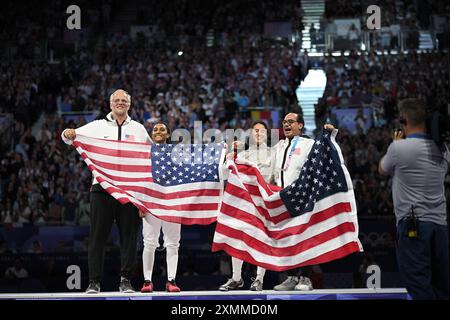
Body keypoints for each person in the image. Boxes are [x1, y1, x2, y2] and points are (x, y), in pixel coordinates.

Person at [61, 89, 151, 293]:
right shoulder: (97, 126)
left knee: (129, 238)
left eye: (123, 101)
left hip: (130, 192)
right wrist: (67, 133)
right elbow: (69, 137)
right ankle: (94, 282)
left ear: (129, 104)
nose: (120, 103)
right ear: (110, 104)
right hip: (101, 189)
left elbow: (150, 160)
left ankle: (126, 281)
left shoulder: (139, 129)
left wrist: (145, 199)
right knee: (97, 237)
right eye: (116, 100)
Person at [378, 98, 450, 300]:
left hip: (414, 226)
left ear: (404, 120)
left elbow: (382, 169)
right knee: (441, 286)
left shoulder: (399, 148)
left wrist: (395, 143)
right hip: (440, 226)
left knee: (418, 284)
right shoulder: (443, 149)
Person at [271, 113, 335, 291]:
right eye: (284, 122)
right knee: (285, 240)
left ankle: (306, 278)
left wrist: (330, 135)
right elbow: (269, 171)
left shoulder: (309, 144)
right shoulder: (277, 147)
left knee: (305, 239)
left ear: (300, 125)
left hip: (303, 198)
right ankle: (291, 277)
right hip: (282, 199)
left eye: (290, 122)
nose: (286, 125)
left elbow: (324, 158)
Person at [219, 121, 274, 292]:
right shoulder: (243, 154)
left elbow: (276, 178)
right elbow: (223, 173)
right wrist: (230, 152)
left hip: (264, 202)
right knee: (238, 238)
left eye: (261, 131)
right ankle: (236, 278)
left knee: (261, 240)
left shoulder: (275, 153)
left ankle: (259, 279)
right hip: (243, 203)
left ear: (267, 134)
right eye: (255, 131)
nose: (258, 133)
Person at [140, 121, 181, 293]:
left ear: (168, 134)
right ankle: (147, 281)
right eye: (155, 129)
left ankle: (171, 280)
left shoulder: (178, 153)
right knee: (149, 243)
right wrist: (141, 203)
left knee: (173, 244)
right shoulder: (145, 153)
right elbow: (141, 178)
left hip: (172, 202)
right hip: (151, 202)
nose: (158, 131)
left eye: (162, 129)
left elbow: (183, 178)